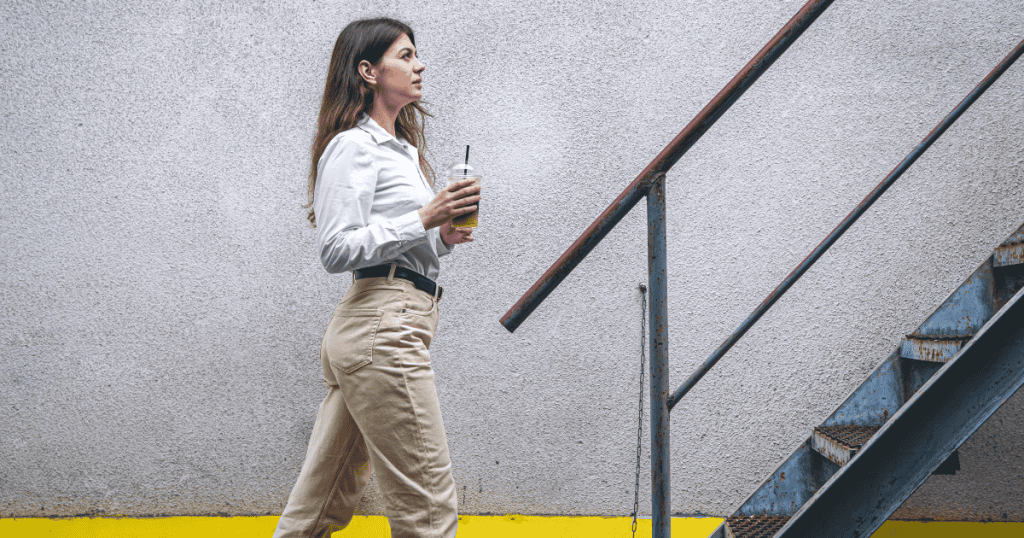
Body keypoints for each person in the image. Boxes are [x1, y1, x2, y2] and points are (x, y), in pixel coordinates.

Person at [273, 17, 479, 538]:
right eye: (406, 55)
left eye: (416, 54)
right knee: (428, 507)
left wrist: (440, 239)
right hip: (383, 327)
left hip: (382, 327)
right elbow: (336, 249)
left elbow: (401, 242)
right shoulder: (353, 146)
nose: (420, 64)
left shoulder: (403, 153)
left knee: (318, 508)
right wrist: (424, 218)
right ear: (368, 71)